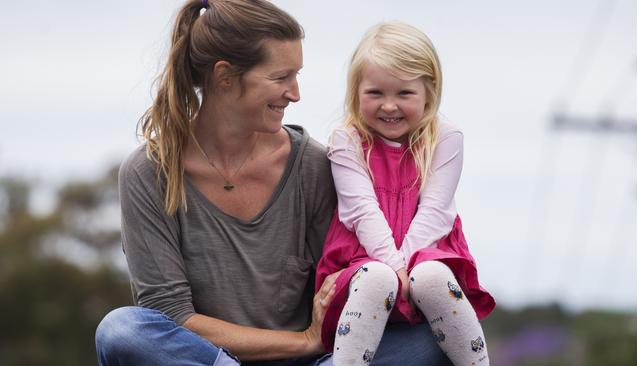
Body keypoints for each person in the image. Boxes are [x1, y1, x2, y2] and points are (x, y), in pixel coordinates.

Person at [94, 1, 453, 365]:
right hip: (209, 359)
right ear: (224, 77)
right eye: (281, 77)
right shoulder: (148, 173)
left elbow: (342, 281)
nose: (295, 93)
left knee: (432, 338)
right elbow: (173, 318)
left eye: (296, 75)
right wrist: (304, 341)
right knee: (121, 330)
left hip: (315, 362)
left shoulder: (313, 165)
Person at [315, 22, 496, 365]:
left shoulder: (445, 137)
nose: (388, 106)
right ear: (356, 92)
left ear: (430, 90)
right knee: (377, 277)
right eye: (375, 93)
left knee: (430, 276)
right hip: (363, 257)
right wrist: (395, 269)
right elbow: (361, 211)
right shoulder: (348, 141)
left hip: (425, 251)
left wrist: (408, 269)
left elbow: (436, 212)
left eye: (403, 93)